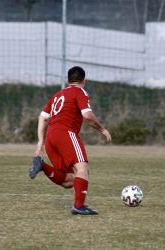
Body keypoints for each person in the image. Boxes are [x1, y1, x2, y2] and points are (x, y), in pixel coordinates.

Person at [30, 66, 112, 215]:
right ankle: (79, 206)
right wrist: (103, 130)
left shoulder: (57, 95)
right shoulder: (80, 91)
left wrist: (40, 143)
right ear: (84, 81)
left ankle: (42, 165)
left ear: (68, 81)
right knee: (83, 168)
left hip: (51, 138)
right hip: (66, 133)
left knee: (69, 181)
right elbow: (87, 115)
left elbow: (42, 117)